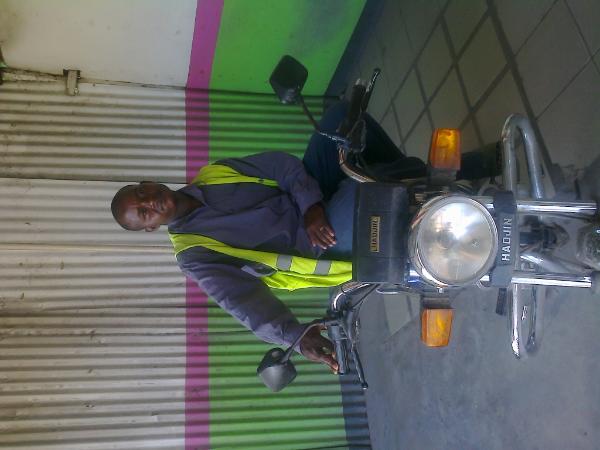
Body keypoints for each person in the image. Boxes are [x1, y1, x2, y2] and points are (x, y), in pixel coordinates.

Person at [111, 102, 428, 372]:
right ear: (151, 227)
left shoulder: (212, 175)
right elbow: (241, 300)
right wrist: (296, 337)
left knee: (340, 118)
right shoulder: (193, 253)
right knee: (369, 197)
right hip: (316, 246)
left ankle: (418, 180)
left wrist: (311, 206)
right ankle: (416, 185)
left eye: (141, 193)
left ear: (148, 182)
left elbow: (279, 165)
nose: (149, 202)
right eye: (143, 213)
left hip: (311, 198)